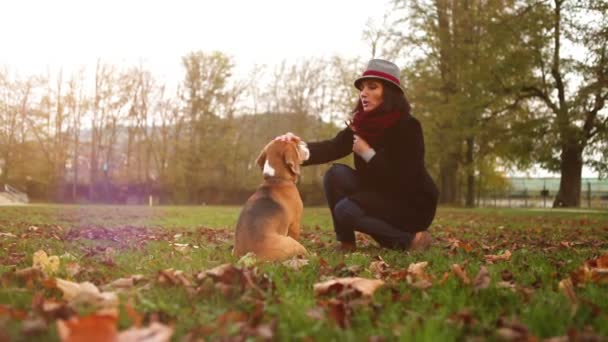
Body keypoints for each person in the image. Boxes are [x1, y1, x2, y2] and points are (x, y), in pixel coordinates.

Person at [276, 59, 438, 252]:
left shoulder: (408, 127)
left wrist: (368, 153)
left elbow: (404, 179)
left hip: (409, 202)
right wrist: (294, 148)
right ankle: (346, 243)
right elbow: (332, 147)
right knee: (334, 175)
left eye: (372, 87)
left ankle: (409, 240)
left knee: (345, 210)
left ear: (389, 93)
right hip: (379, 192)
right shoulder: (362, 126)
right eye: (362, 88)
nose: (363, 93)